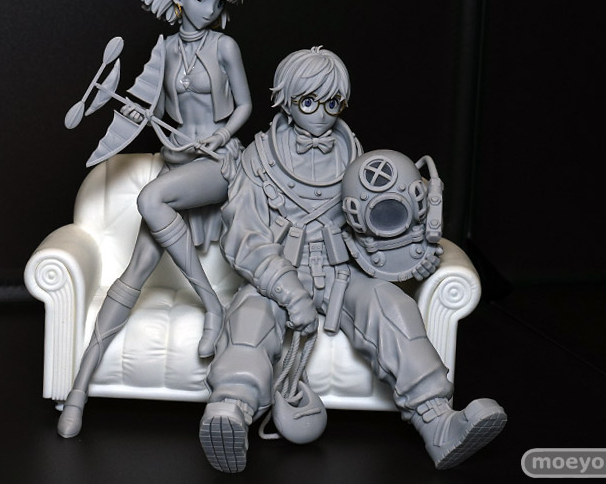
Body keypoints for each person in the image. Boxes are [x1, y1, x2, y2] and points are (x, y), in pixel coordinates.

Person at [199, 47, 506, 472]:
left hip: (342, 274)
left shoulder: (356, 156)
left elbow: (373, 228)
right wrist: (290, 292)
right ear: (286, 99)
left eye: (332, 103)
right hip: (277, 278)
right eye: (309, 101)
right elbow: (244, 238)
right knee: (250, 318)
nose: (321, 114)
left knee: (392, 307)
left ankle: (437, 422)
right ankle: (231, 409)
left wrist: (406, 260)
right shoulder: (258, 158)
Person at [58, 0, 253, 439]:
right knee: (135, 271)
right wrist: (133, 111)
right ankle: (78, 390)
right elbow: (148, 106)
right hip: (177, 165)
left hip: (216, 164)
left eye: (219, 0)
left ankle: (212, 305)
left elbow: (245, 106)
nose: (211, 8)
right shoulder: (164, 50)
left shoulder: (225, 48)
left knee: (149, 199)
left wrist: (222, 135)